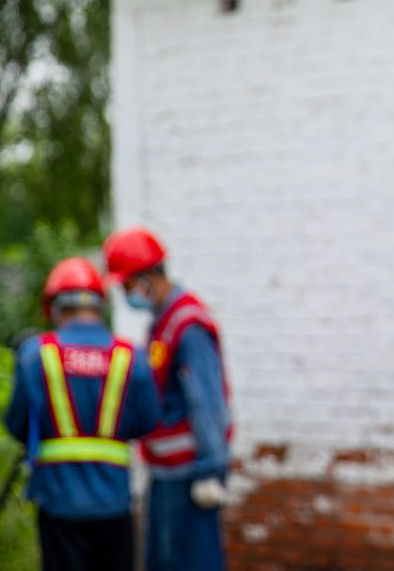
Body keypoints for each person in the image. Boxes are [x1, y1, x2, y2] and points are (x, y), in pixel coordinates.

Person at [5, 256, 160, 571]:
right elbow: (148, 421)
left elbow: (16, 424)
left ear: (54, 308)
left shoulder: (36, 354)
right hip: (114, 501)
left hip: (58, 501)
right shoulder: (130, 356)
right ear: (101, 306)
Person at [102, 226, 232, 571]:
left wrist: (210, 470)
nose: (127, 294)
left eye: (127, 285)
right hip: (166, 472)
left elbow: (207, 402)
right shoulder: (164, 322)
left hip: (190, 473)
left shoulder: (187, 325)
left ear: (148, 277)